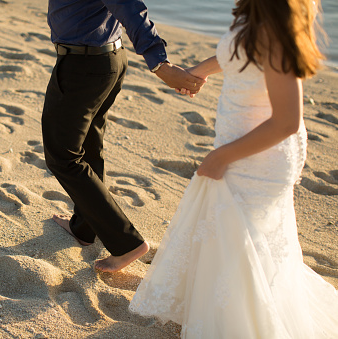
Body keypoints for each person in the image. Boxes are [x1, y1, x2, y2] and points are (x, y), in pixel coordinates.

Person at [130, 0, 338, 337]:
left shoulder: (277, 29)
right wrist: (200, 70)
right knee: (232, 234)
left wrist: (223, 156)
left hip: (261, 153)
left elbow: (287, 121)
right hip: (238, 139)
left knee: (243, 236)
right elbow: (241, 50)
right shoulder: (257, 12)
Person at [42, 0, 205, 272]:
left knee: (63, 156)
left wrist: (160, 64)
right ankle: (85, 227)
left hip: (84, 64)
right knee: (87, 145)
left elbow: (128, 5)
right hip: (102, 59)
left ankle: (126, 243)